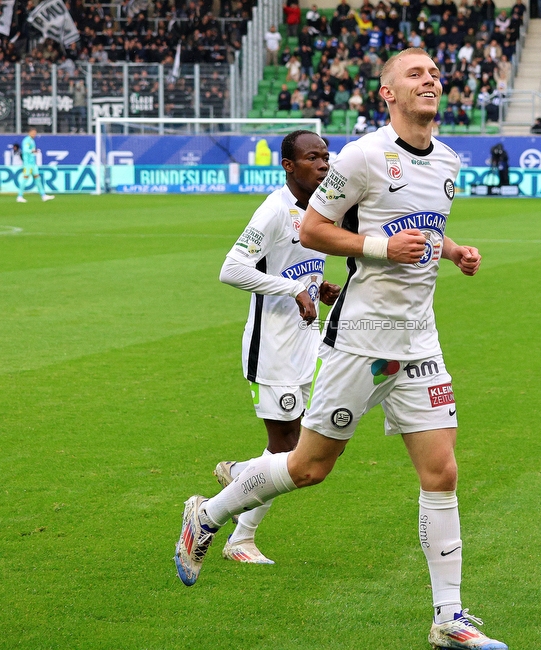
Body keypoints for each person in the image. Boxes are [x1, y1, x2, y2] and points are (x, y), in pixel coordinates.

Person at [173, 47, 508, 650]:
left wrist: (453, 251)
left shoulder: (450, 159)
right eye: (415, 73)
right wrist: (380, 249)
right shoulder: (361, 156)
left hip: (419, 338)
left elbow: (423, 223)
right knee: (309, 467)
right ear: (388, 93)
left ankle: (448, 618)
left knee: (442, 472)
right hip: (360, 339)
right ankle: (209, 514)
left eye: (434, 72)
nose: (430, 79)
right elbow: (312, 229)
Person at [215, 130, 341, 564]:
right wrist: (292, 289)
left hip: (307, 341)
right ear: (289, 165)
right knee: (289, 449)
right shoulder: (274, 210)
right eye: (313, 158)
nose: (324, 164)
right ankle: (240, 538)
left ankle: (243, 475)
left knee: (299, 445)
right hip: (270, 346)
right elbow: (231, 269)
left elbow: (296, 267)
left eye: (326, 156)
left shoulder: (318, 210)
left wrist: (314, 286)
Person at [17, 129, 55, 203]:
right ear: (29, 132)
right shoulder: (26, 140)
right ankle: (19, 196)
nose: (34, 134)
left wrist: (33, 152)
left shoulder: (32, 140)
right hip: (27, 164)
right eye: (33, 133)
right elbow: (25, 150)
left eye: (35, 133)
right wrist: (33, 151)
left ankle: (43, 195)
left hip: (33, 164)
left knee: (37, 178)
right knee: (25, 179)